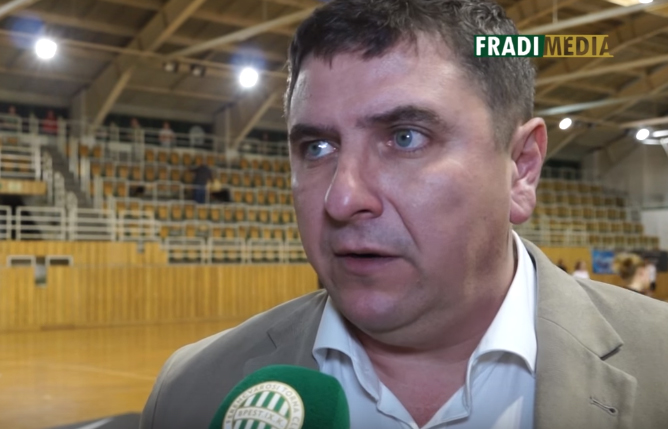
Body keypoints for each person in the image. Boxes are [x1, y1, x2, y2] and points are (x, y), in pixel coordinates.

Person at [141, 1, 668, 428]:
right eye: (317, 147)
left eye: (405, 138)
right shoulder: (189, 393)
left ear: (521, 169)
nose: (342, 200)